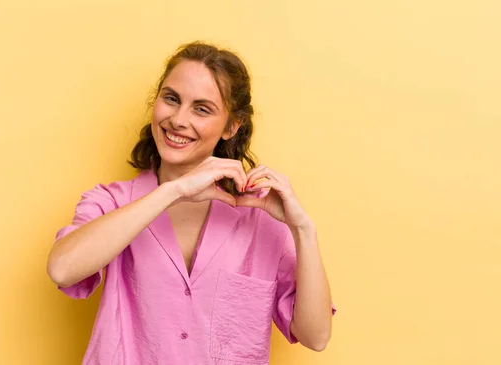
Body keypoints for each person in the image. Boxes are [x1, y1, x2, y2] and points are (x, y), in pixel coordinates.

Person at [47, 41, 336, 365]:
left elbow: (316, 336)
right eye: (171, 99)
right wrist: (173, 190)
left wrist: (303, 229)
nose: (178, 119)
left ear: (231, 126)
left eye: (202, 108)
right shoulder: (111, 202)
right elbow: (62, 269)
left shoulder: (261, 218)